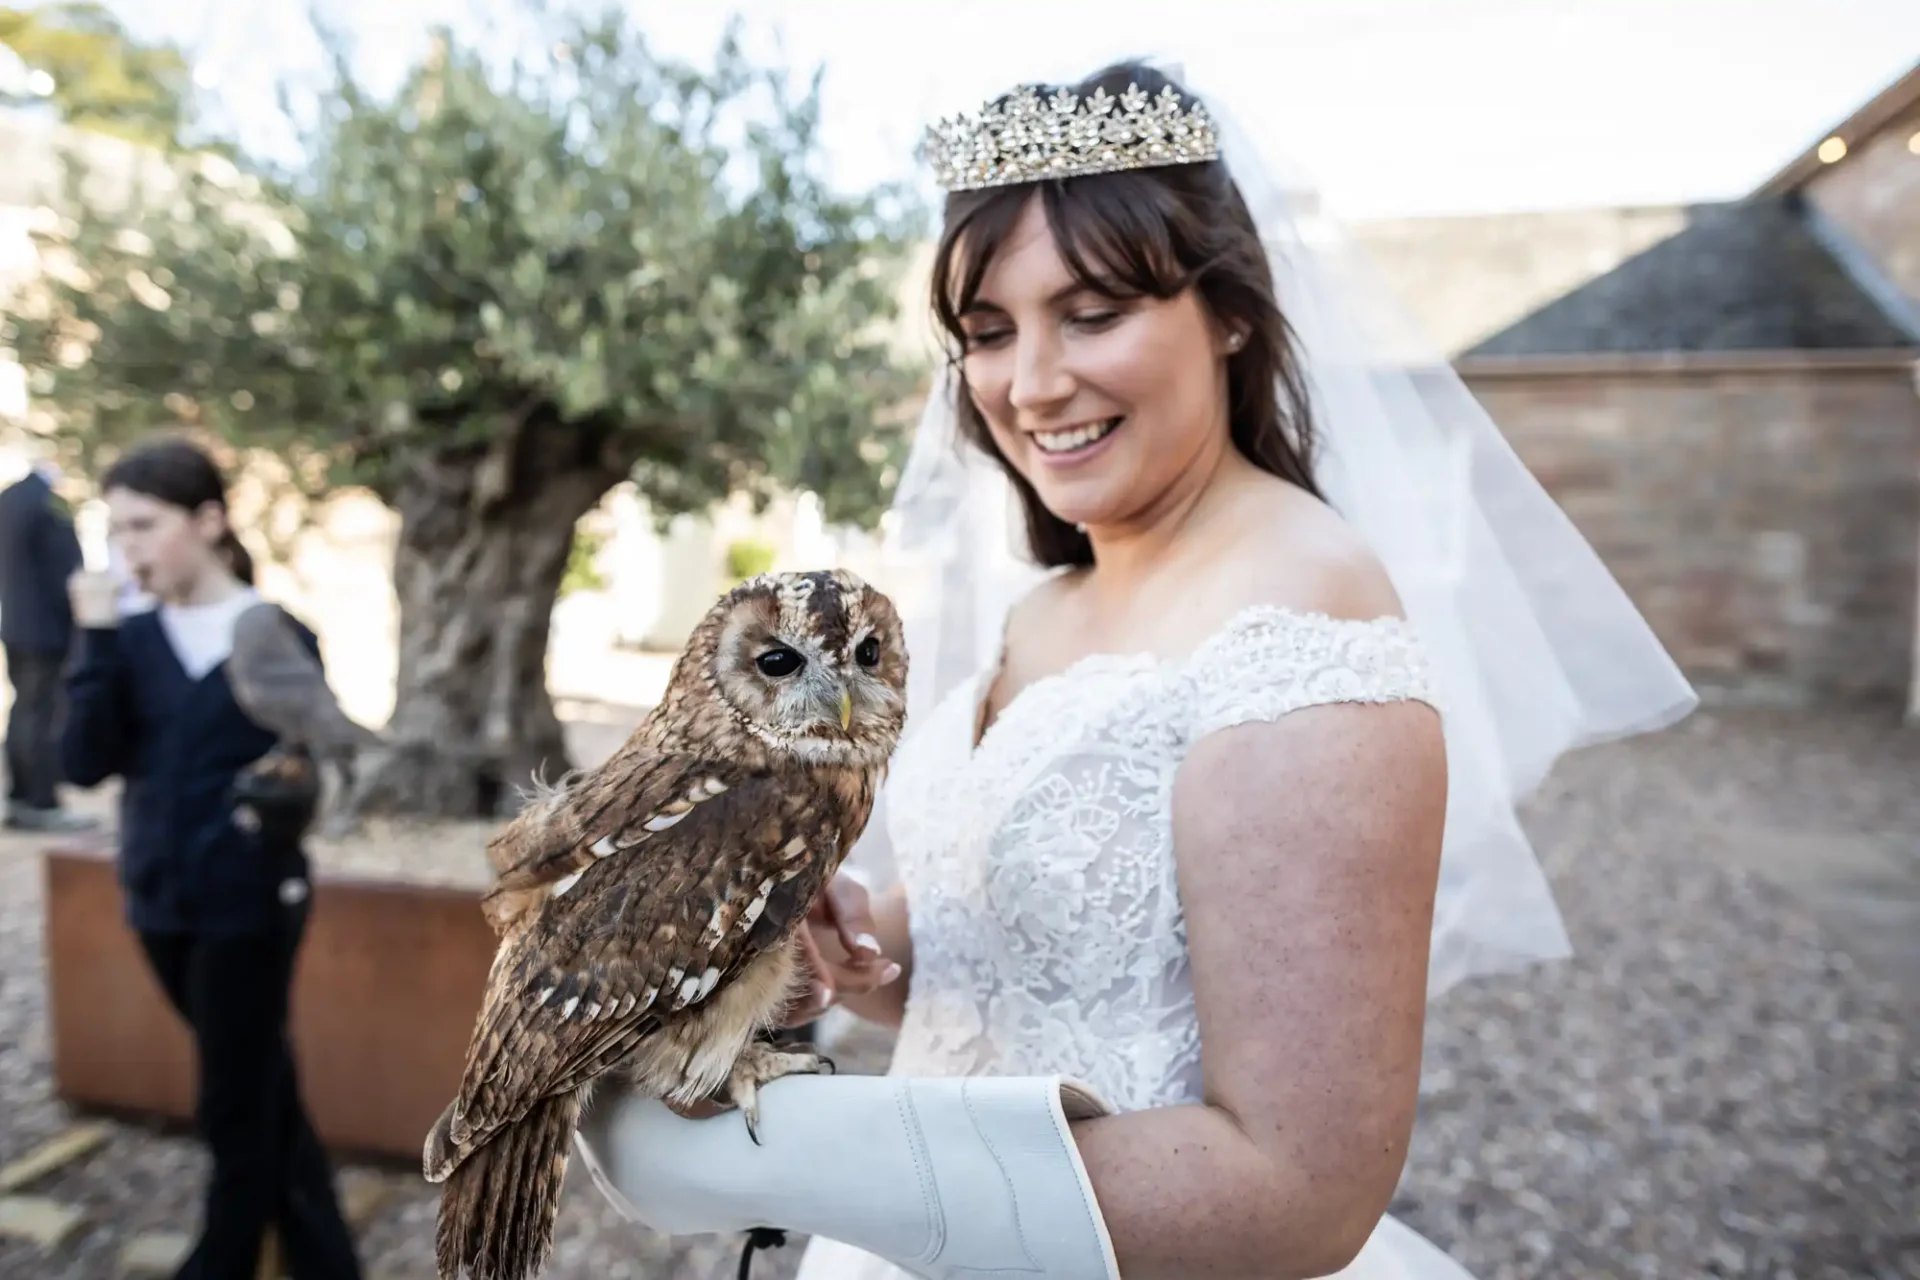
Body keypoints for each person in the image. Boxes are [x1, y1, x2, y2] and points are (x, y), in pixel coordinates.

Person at [573, 60, 1698, 1280]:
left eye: (1093, 312)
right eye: (988, 332)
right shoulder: (1039, 605)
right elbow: (977, 974)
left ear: (1228, 311)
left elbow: (1296, 1190)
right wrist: (804, 952)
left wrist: (784, 1158)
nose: (1031, 382)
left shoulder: (1301, 615)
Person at [61, 436, 363, 1280]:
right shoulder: (127, 636)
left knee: (232, 1091)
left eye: (145, 526)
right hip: (157, 897)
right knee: (259, 1074)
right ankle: (324, 1255)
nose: (129, 550)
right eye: (116, 531)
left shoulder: (273, 632)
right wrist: (95, 638)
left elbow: (314, 757)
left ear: (209, 521)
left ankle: (221, 1257)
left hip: (253, 899)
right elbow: (83, 762)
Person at [0, 456, 95, 831]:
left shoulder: (9, 499)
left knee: (24, 711)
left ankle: (22, 795)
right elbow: (64, 570)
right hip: (46, 629)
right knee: (40, 715)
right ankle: (40, 800)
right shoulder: (49, 503)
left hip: (15, 625)